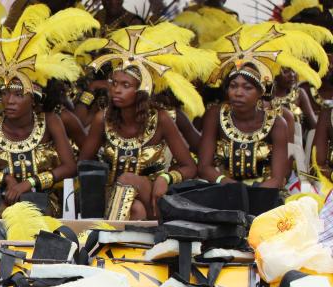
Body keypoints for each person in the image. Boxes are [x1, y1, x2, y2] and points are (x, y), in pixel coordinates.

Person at [0, 6, 94, 216]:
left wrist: (29, 183)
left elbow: (70, 166)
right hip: (1, 199)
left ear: (34, 99)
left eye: (18, 95)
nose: (9, 101)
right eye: (5, 93)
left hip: (42, 200)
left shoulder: (50, 121)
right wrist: (4, 180)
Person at [77, 26, 205, 220]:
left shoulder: (161, 119)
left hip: (152, 194)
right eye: (114, 83)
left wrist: (166, 177)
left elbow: (189, 166)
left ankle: (113, 236)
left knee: (131, 185)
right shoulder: (102, 119)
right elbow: (84, 164)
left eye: (125, 85)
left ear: (141, 91)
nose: (116, 90)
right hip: (111, 198)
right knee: (135, 208)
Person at [200, 24, 326, 188]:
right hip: (222, 190)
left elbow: (279, 177)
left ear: (261, 92)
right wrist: (229, 185)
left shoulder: (277, 122)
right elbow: (204, 167)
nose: (238, 93)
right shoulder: (215, 115)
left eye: (247, 88)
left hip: (265, 192)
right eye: (233, 86)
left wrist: (252, 194)